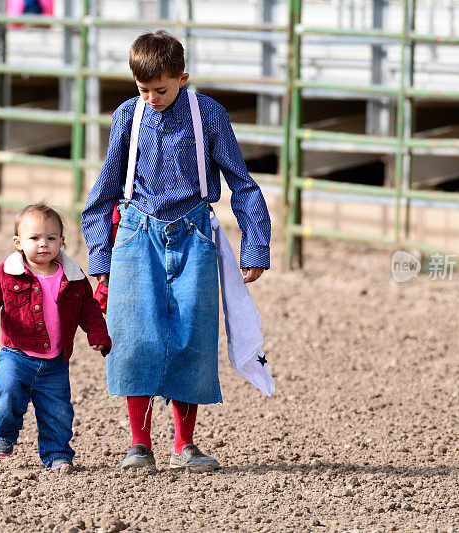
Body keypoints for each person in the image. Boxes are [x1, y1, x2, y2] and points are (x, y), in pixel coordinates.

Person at [81, 31, 271, 472]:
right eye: (142, 88)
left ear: (182, 78)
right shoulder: (128, 116)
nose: (151, 97)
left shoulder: (209, 116)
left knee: (193, 335)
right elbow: (104, 190)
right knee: (134, 335)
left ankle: (185, 443)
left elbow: (242, 183)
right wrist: (101, 257)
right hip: (135, 232)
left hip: (196, 233)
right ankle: (139, 445)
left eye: (160, 89)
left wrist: (255, 245)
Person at [0, 202, 111, 471]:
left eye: (51, 238)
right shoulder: (7, 273)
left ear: (62, 242)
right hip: (16, 354)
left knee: (58, 412)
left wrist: (98, 333)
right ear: (18, 242)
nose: (43, 244)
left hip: (56, 361)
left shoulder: (73, 277)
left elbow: (88, 309)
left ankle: (57, 454)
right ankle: (3, 435)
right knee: (7, 393)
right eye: (35, 238)